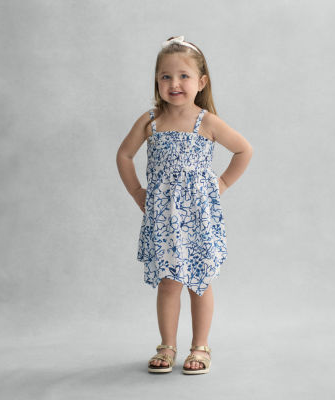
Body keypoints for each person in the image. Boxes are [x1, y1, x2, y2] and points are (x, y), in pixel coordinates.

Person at [116, 36, 253, 375]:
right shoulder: (150, 121)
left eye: (183, 76)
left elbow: (243, 150)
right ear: (157, 81)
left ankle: (200, 346)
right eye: (166, 76)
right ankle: (167, 345)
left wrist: (222, 184)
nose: (174, 83)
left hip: (198, 217)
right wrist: (136, 192)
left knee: (199, 282)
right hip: (164, 220)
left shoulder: (206, 122)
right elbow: (124, 155)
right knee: (168, 282)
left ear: (201, 82)